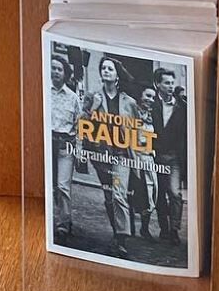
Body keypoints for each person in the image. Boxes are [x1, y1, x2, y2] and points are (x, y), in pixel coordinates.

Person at [84, 54, 137, 260]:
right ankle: (117, 232)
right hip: (101, 155)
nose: (106, 71)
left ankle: (122, 240)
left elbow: (136, 129)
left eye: (110, 69)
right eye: (103, 68)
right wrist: (93, 108)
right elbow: (82, 123)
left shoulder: (129, 102)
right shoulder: (92, 96)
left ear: (117, 75)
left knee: (118, 194)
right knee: (109, 197)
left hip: (122, 155)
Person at [152, 66, 186, 246]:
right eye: (166, 83)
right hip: (155, 156)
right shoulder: (152, 105)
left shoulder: (182, 107)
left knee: (174, 193)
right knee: (159, 194)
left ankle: (174, 229)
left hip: (174, 157)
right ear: (158, 84)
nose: (171, 86)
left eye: (172, 83)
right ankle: (163, 228)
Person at [49, 53, 78, 242]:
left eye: (59, 69)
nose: (56, 72)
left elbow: (78, 124)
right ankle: (58, 218)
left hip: (65, 144)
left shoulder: (73, 98)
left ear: (65, 73)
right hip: (48, 141)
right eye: (53, 68)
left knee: (63, 186)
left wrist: (79, 150)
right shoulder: (44, 91)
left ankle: (63, 225)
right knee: (51, 185)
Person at [130, 84, 159, 239]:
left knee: (151, 192)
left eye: (153, 97)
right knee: (133, 191)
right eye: (148, 96)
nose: (151, 99)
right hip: (133, 157)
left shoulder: (152, 115)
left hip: (148, 158)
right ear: (140, 95)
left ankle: (144, 228)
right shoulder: (131, 111)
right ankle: (130, 227)